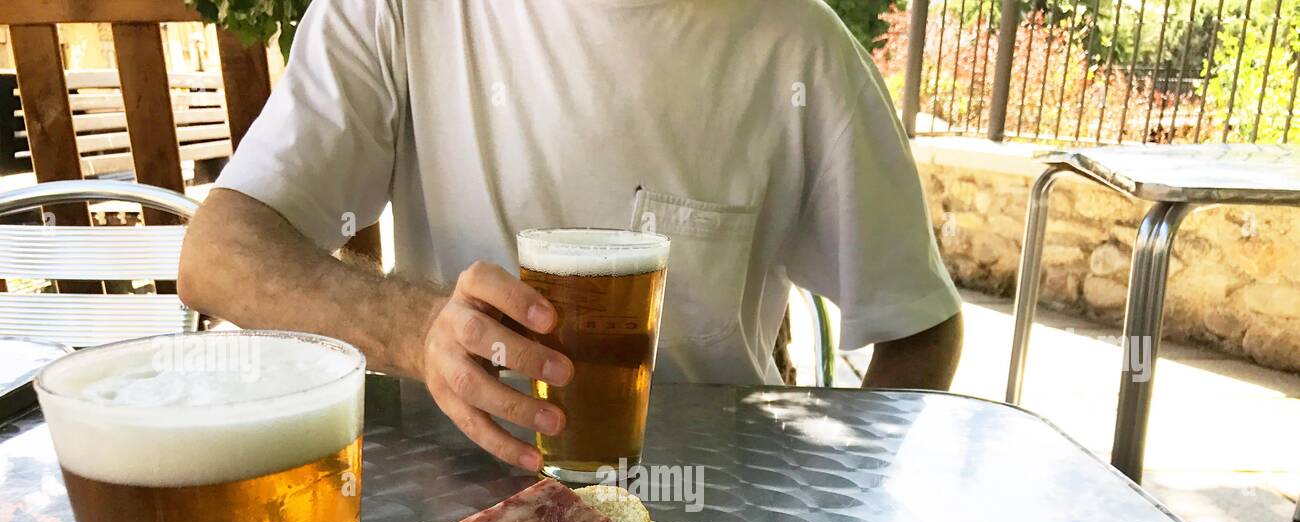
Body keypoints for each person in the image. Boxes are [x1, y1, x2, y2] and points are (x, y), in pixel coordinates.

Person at [179, 0, 964, 473]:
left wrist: (838, 509)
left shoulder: (802, 45)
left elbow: (920, 328)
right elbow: (219, 254)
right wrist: (417, 331)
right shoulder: (396, 11)